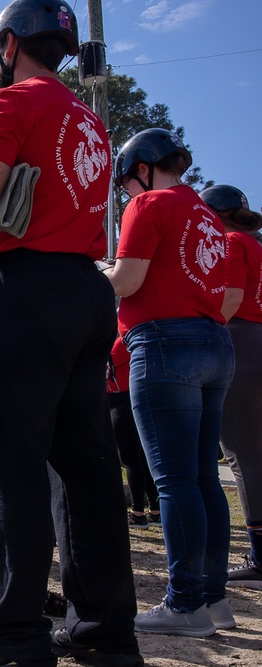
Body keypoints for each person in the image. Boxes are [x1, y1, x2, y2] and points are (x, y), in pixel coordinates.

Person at [0, 2, 142, 666]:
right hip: (86, 290)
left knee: (6, 462)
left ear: (10, 45)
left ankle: (16, 636)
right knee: (87, 470)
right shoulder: (91, 122)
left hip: (26, 290)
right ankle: (104, 628)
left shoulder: (13, 104)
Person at [105, 128, 235, 636]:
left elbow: (129, 281)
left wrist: (98, 273)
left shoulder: (149, 204)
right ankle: (212, 597)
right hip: (212, 343)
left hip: (163, 342)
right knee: (203, 478)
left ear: (140, 169)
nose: (127, 195)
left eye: (127, 185)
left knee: (174, 482)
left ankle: (184, 605)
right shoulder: (205, 213)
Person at [200, 184, 262, 591]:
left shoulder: (230, 242)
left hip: (238, 337)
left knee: (242, 453)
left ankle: (260, 557)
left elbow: (229, 298)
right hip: (256, 336)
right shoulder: (255, 241)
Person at [107, 337, 161, 530]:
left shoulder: (122, 341)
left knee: (131, 459)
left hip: (121, 402)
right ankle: (155, 509)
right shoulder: (134, 338)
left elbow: (105, 366)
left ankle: (138, 513)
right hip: (132, 399)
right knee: (141, 458)